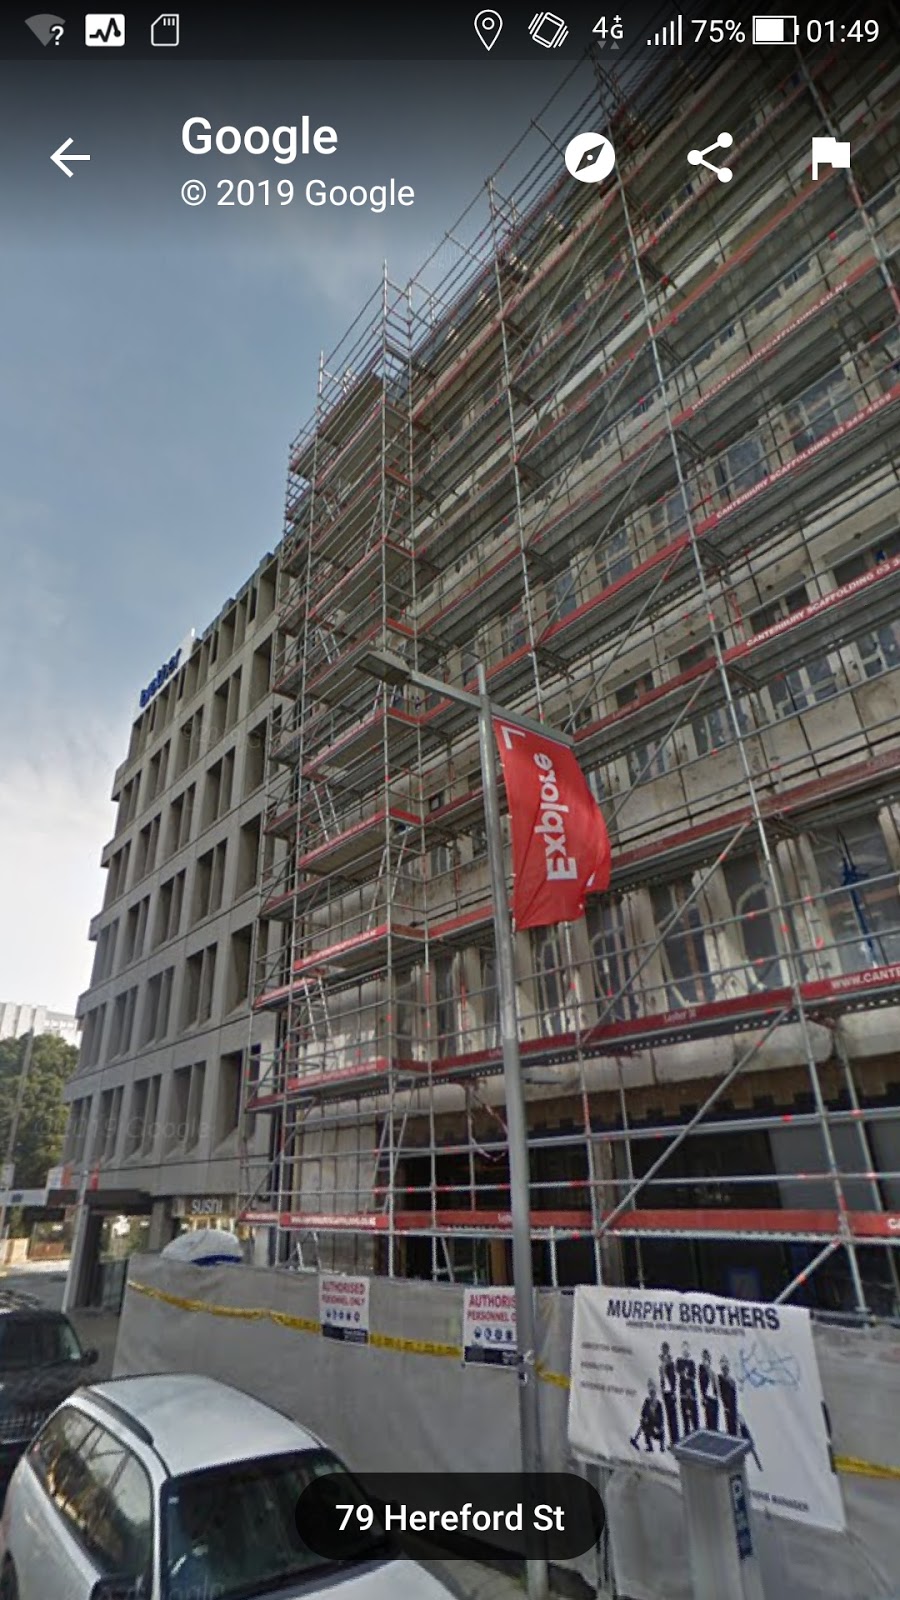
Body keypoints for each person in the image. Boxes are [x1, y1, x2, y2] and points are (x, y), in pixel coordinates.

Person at [630, 1379, 666, 1453]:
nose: (652, 1395)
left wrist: (659, 1426)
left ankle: (662, 1446)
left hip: (656, 1423)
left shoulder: (658, 1404)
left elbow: (661, 1417)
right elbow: (643, 1412)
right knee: (644, 1426)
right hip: (649, 1422)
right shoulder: (647, 1401)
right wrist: (644, 1418)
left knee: (661, 1431)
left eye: (653, 1393)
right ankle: (648, 1446)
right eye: (651, 1393)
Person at [659, 1341, 680, 1448]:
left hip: (671, 1391)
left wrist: (673, 1391)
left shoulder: (671, 1362)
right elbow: (661, 1375)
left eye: (666, 1348)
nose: (664, 1350)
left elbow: (674, 1378)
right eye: (663, 1348)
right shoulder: (661, 1361)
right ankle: (672, 1440)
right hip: (665, 1392)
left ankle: (676, 1439)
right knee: (668, 1416)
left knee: (673, 1416)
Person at [676, 1341, 699, 1436]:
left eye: (687, 1348)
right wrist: (685, 1375)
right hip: (683, 1393)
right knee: (685, 1419)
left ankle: (697, 1436)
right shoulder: (679, 1361)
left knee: (695, 1418)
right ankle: (687, 1436)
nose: (685, 1350)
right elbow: (679, 1372)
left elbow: (693, 1376)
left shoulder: (692, 1363)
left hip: (692, 1393)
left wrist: (689, 1386)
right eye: (684, 1348)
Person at [699, 1348, 719, 1430]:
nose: (706, 1360)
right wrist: (703, 1397)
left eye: (707, 1357)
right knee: (709, 1422)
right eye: (704, 1358)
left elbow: (716, 1386)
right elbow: (701, 1384)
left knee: (715, 1423)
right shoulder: (702, 1370)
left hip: (714, 1399)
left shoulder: (713, 1373)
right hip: (708, 1398)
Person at [719, 1356, 738, 1437]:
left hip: (732, 1406)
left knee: (733, 1423)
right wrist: (725, 1405)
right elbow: (721, 1392)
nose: (725, 1370)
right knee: (728, 1423)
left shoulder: (732, 1381)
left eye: (726, 1368)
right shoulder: (720, 1378)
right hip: (726, 1405)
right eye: (724, 1368)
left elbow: (734, 1395)